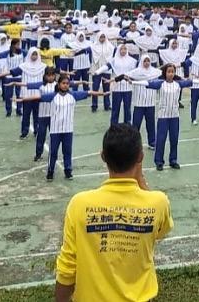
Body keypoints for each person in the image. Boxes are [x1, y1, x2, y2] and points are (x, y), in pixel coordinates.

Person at [54, 124, 172, 302]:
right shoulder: (158, 202)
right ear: (140, 157)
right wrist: (140, 180)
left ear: (103, 156)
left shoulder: (79, 204)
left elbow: (67, 267)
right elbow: (160, 232)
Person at [144, 65, 192, 171]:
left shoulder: (178, 84)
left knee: (174, 139)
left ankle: (173, 160)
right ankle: (159, 161)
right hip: (163, 117)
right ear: (165, 73)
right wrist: (131, 81)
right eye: (169, 72)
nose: (171, 74)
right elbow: (146, 83)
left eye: (172, 72)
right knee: (161, 140)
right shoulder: (160, 84)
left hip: (175, 116)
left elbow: (191, 82)